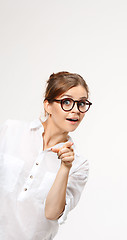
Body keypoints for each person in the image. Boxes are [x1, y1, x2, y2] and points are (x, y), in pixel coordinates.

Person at [0, 72, 92, 239]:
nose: (76, 110)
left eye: (82, 103)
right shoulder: (10, 130)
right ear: (48, 105)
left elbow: (52, 213)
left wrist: (65, 167)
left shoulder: (79, 164)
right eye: (67, 102)